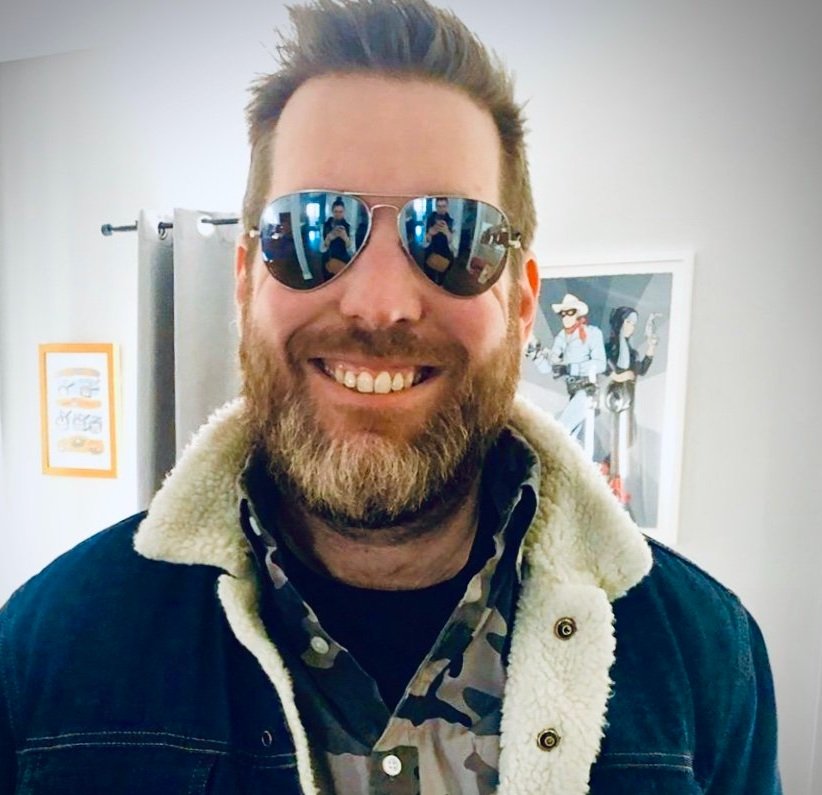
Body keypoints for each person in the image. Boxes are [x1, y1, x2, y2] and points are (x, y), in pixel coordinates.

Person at [0, 1, 781, 794]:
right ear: (245, 282)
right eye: (315, 230)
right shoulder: (46, 654)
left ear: (520, 302)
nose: (379, 304)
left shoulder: (709, 660)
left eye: (453, 235)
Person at [603, 306, 658, 505]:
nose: (631, 327)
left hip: (629, 398)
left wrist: (651, 347)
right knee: (618, 437)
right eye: (628, 322)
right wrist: (622, 375)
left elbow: (640, 370)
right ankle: (611, 476)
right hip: (616, 398)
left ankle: (610, 473)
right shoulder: (611, 348)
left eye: (633, 324)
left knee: (629, 438)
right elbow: (608, 368)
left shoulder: (632, 352)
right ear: (619, 323)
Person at [550, 293, 607, 456]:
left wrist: (571, 368)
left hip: (587, 391)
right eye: (563, 314)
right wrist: (536, 354)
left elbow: (600, 364)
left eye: (570, 312)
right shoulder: (562, 336)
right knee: (570, 441)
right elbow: (551, 363)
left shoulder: (592, 333)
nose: (566, 317)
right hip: (573, 392)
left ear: (578, 313)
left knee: (559, 432)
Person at [423, 196, 455, 282]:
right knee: (429, 277)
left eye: (444, 206)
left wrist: (447, 232)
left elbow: (450, 241)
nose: (441, 209)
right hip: (431, 251)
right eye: (439, 206)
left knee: (442, 276)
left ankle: (440, 284)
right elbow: (427, 240)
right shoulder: (430, 219)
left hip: (445, 253)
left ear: (447, 206)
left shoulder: (451, 221)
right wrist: (430, 233)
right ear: (436, 206)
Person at [320, 196, 353, 278]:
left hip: (343, 260)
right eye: (336, 211)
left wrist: (345, 238)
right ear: (332, 211)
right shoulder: (325, 226)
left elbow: (352, 251)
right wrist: (328, 238)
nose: (338, 214)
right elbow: (321, 249)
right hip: (328, 259)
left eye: (340, 212)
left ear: (344, 212)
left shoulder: (349, 227)